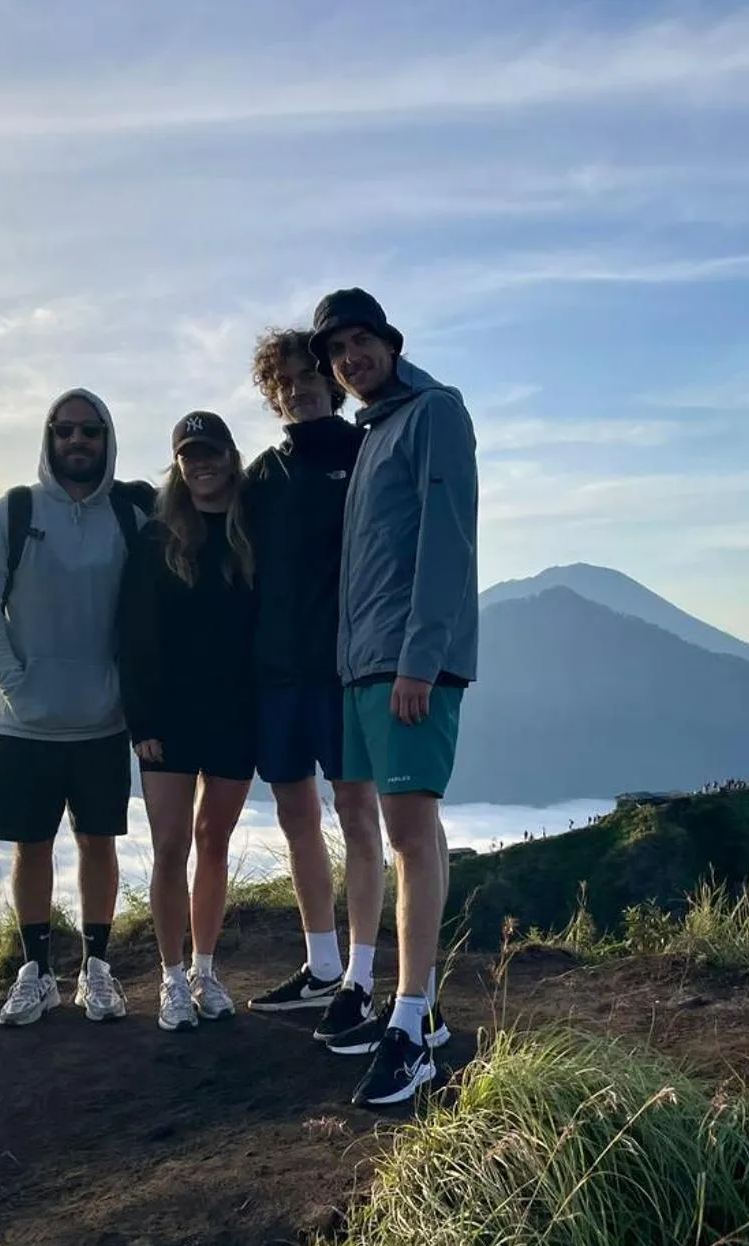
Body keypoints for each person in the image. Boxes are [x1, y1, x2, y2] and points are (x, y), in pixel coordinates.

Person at [308, 289, 478, 1108]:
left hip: (406, 665)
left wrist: (419, 659)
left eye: (360, 341)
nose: (350, 358)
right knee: (411, 831)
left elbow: (446, 541)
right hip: (363, 664)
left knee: (409, 834)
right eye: (337, 350)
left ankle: (408, 1030)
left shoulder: (434, 413)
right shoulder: (376, 431)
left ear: (389, 341)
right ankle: (424, 1006)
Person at [0, 389, 151, 1027]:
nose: (77, 442)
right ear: (49, 438)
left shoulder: (131, 516)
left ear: (106, 438)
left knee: (99, 843)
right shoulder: (12, 513)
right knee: (31, 846)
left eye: (90, 431)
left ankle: (96, 970)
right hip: (23, 724)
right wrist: (15, 681)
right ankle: (36, 971)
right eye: (65, 430)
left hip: (102, 720)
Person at [239, 328, 388, 1043]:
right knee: (296, 814)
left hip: (343, 670)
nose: (297, 389)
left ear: (331, 380)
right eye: (284, 381)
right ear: (272, 394)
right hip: (277, 672)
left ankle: (361, 976)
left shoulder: (364, 453)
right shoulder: (263, 474)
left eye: (307, 375)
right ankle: (321, 965)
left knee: (357, 810)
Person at [117, 412, 260, 1032]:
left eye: (211, 452)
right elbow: (132, 632)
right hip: (167, 718)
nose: (201, 463)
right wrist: (141, 717)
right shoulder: (155, 540)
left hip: (236, 711)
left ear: (231, 456)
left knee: (215, 843)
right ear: (178, 464)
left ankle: (205, 969)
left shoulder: (254, 532)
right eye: (188, 454)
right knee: (171, 846)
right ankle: (172, 979)